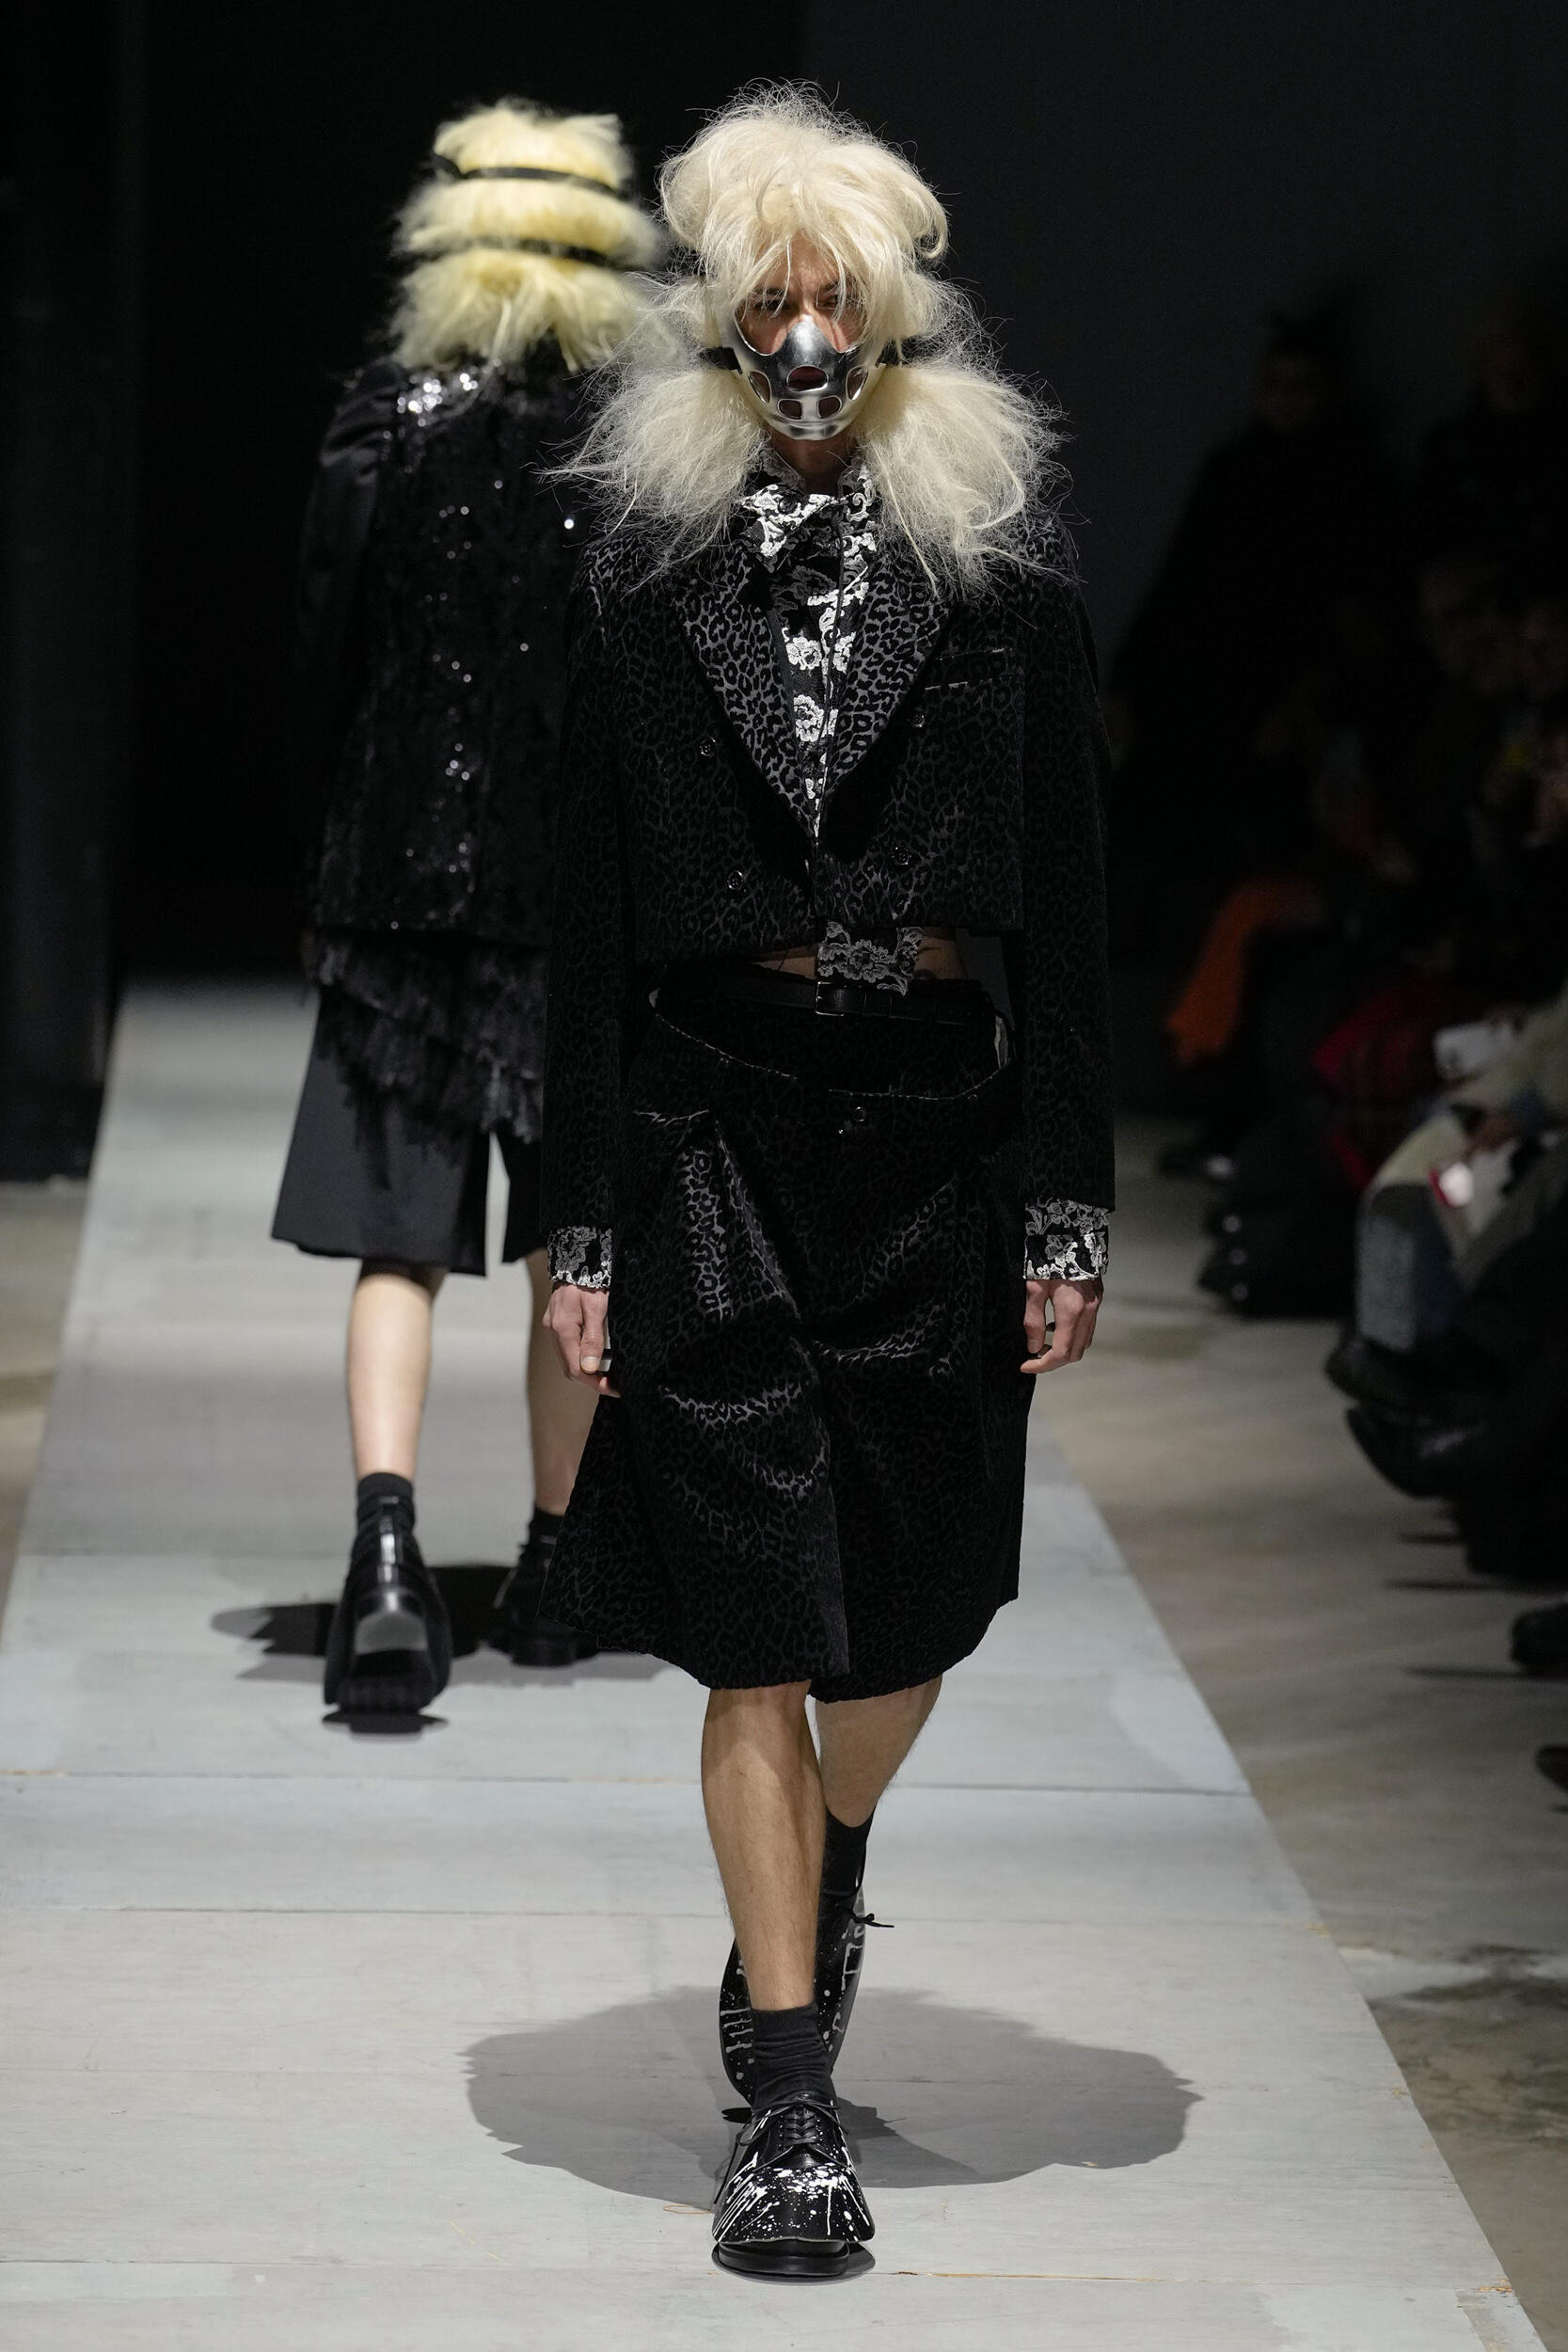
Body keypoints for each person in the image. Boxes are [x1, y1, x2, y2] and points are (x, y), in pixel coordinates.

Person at [538, 88, 1113, 2279]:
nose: (799, 338)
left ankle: (836, 1845)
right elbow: (586, 921)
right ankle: (788, 2101)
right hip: (713, 1120)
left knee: (915, 1604)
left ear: (892, 319)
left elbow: (1073, 915)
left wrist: (1065, 1198)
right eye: (765, 299)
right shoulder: (641, 570)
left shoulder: (1000, 570)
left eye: (834, 300)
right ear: (715, 318)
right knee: (754, 1625)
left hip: (933, 1133)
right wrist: (584, 1222)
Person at [272, 102, 658, 1713]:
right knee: (582, 1244)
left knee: (397, 1247)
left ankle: (386, 1550)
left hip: (399, 894)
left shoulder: (386, 414)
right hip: (583, 909)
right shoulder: (640, 438)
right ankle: (558, 1569)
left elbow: (324, 642)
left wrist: (332, 836)